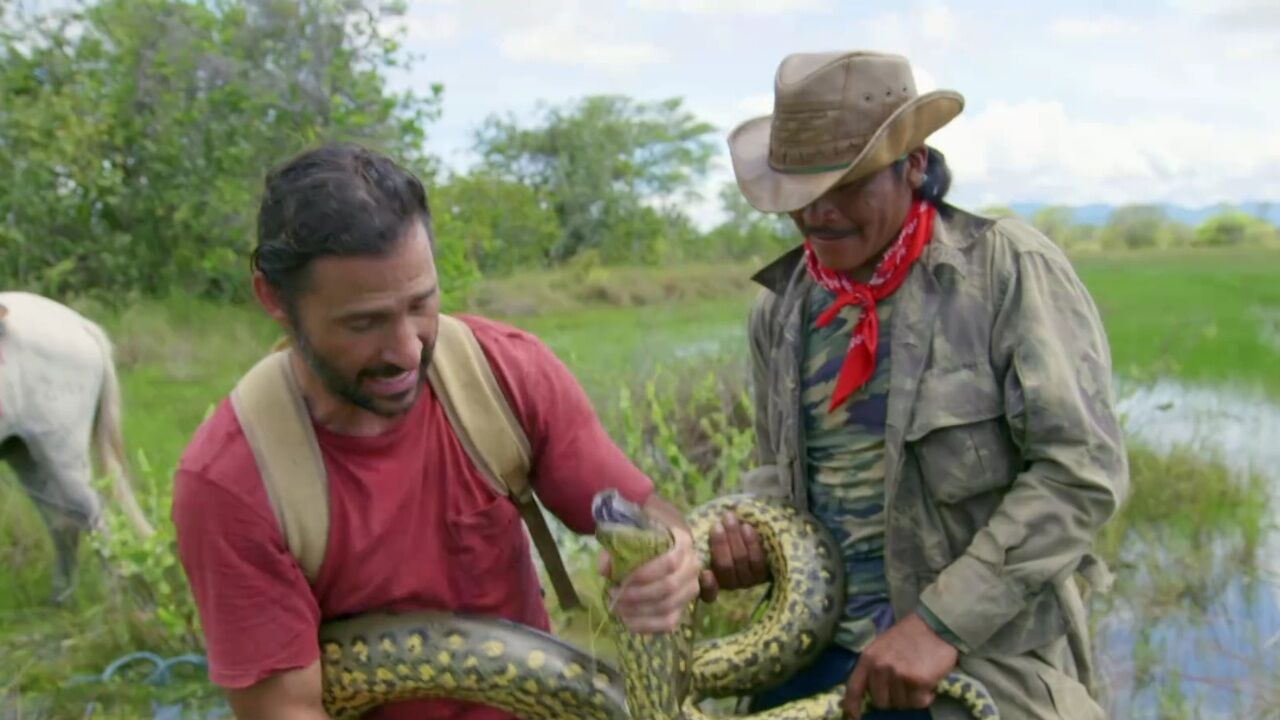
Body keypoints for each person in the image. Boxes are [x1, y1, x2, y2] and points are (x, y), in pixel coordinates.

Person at [170, 142, 703, 719]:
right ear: (274, 299)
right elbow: (286, 711)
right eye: (364, 322)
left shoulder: (504, 374)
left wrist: (673, 555)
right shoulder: (233, 483)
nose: (406, 350)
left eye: (421, 304)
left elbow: (649, 516)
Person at [701, 51, 1129, 719]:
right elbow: (778, 477)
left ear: (916, 164)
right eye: (802, 194)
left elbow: (1081, 471)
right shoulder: (783, 309)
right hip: (816, 659)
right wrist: (748, 540)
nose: (820, 214)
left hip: (975, 661)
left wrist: (937, 625)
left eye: (848, 185)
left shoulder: (1003, 272)